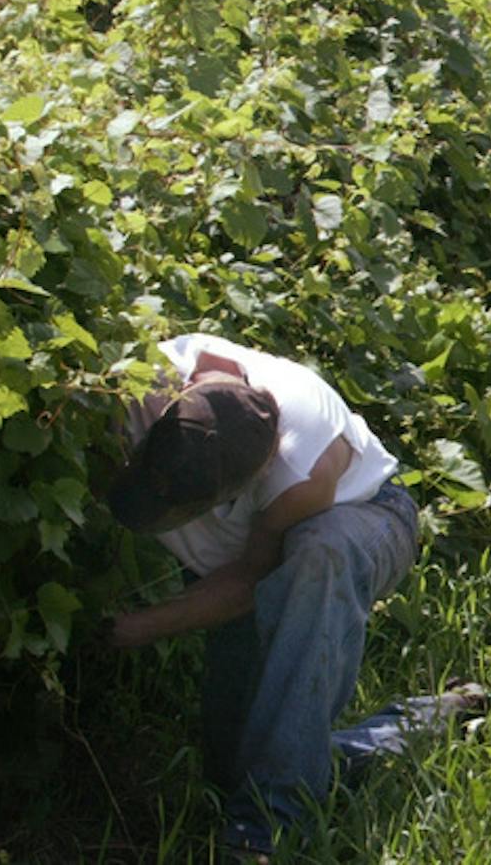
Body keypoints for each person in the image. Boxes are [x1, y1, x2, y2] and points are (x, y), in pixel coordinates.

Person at [104, 333, 470, 858]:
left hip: (369, 520)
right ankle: (424, 720)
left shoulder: (304, 467)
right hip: (241, 570)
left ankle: (264, 833)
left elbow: (250, 578)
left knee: (321, 551)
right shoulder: (142, 379)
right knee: (246, 765)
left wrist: (130, 629)